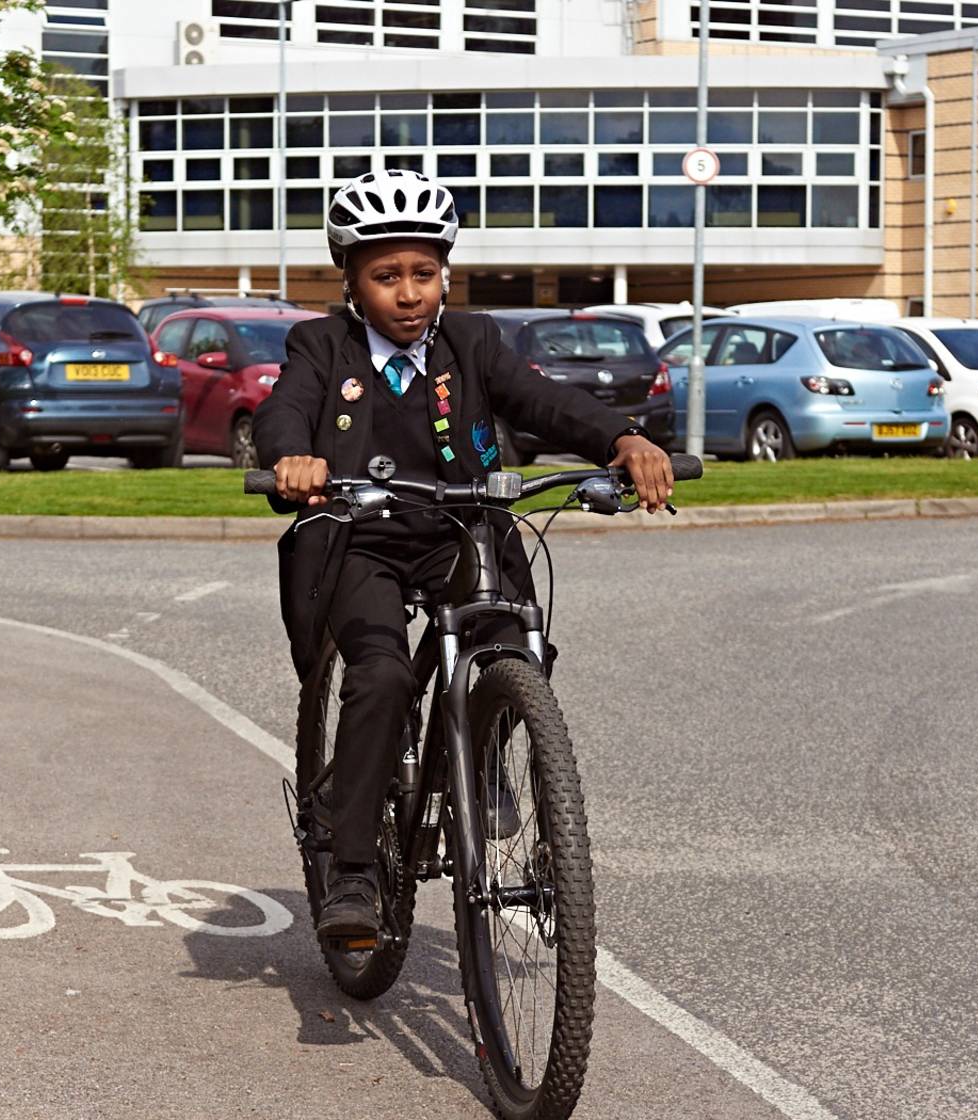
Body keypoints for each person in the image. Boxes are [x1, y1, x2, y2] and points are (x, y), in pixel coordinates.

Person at [253, 169, 674, 939]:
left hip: (461, 530)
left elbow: (545, 400)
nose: (408, 293)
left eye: (424, 273)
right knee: (379, 675)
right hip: (361, 537)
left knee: (520, 642)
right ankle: (352, 873)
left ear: (444, 273)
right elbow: (286, 409)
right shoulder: (321, 344)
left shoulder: (474, 342)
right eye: (386, 277)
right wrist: (292, 458)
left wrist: (622, 438)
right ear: (351, 280)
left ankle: (477, 751)